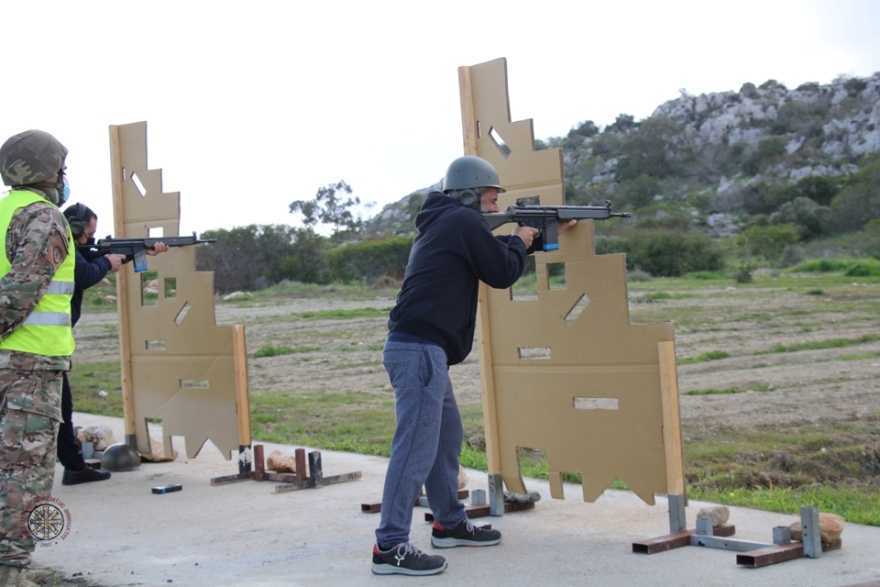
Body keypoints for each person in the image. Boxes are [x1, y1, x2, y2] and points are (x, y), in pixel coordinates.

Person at [372, 155, 575, 576]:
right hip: (419, 351)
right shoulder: (462, 222)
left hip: (423, 351)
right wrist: (520, 237)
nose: (491, 207)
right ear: (466, 195)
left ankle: (449, 523)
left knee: (446, 439)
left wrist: (530, 239)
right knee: (414, 448)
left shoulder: (449, 222)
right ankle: (389, 546)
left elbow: (491, 256)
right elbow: (501, 272)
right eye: (487, 199)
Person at [0, 130, 75, 586]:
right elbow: (22, 291)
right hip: (29, 367)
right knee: (23, 475)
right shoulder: (43, 216)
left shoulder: (4, 211)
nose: (65, 177)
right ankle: (10, 572)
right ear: (46, 172)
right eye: (61, 169)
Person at [56, 203, 168, 485]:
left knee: (60, 409)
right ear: (76, 229)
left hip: (47, 343)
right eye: (88, 234)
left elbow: (94, 257)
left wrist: (135, 252)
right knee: (60, 409)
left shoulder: (63, 241)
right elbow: (85, 272)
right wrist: (108, 262)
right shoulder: (65, 243)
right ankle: (73, 467)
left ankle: (73, 466)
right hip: (43, 344)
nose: (91, 240)